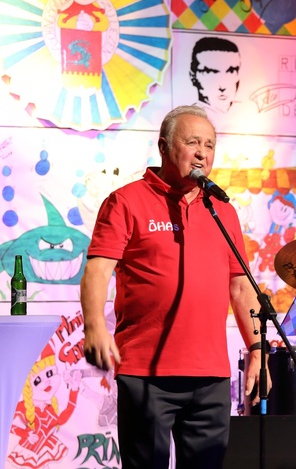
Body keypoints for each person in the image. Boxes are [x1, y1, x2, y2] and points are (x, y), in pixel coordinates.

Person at [80, 105, 269, 468]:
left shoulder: (222, 210)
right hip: (147, 371)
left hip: (211, 375)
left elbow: (241, 287)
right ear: (164, 147)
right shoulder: (126, 201)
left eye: (209, 145)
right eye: (193, 142)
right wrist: (94, 327)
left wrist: (258, 351)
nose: (202, 153)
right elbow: (98, 271)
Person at [190, 37, 241, 114]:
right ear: (193, 77)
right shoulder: (189, 117)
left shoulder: (248, 111)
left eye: (231, 71)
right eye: (210, 72)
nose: (222, 86)